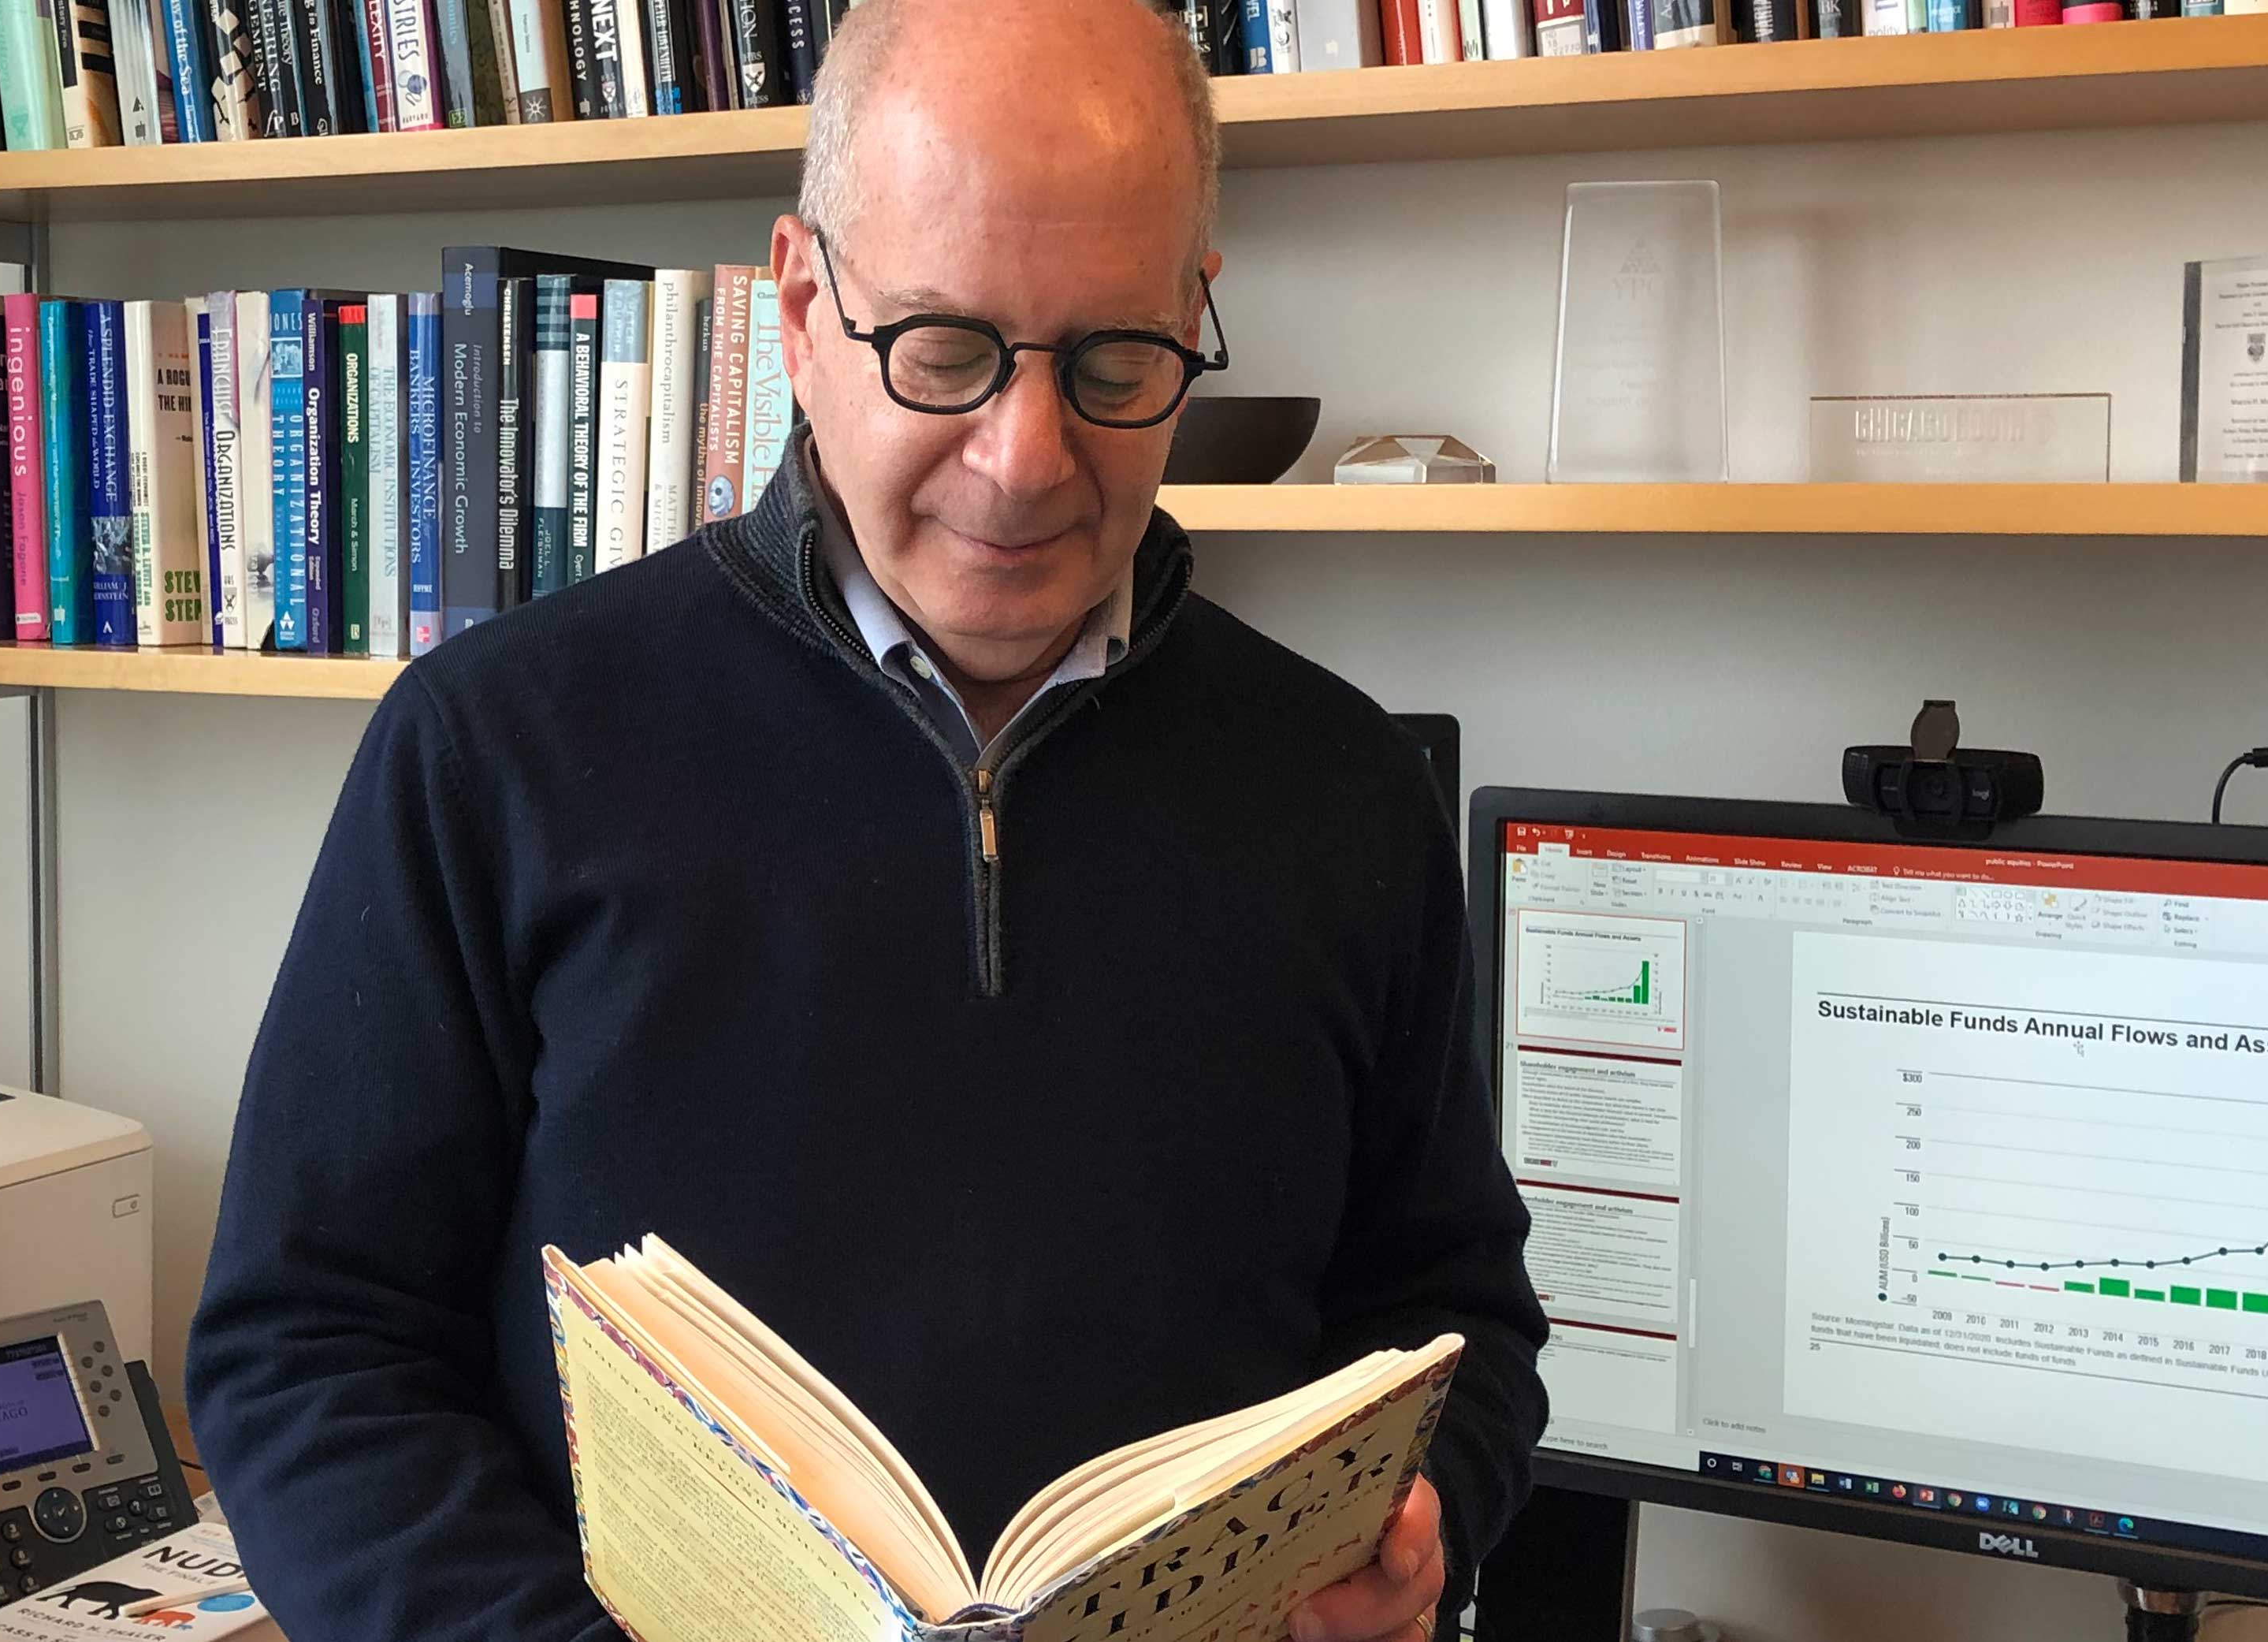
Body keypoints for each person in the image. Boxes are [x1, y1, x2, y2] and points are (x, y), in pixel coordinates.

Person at [183, 0, 1546, 1635]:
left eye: (1114, 362)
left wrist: (1420, 1529)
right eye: (945, 352)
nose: (1023, 460)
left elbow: (1452, 1317)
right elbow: (308, 1354)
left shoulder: (1344, 784)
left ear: (1195, 318)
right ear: (801, 308)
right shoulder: (492, 746)